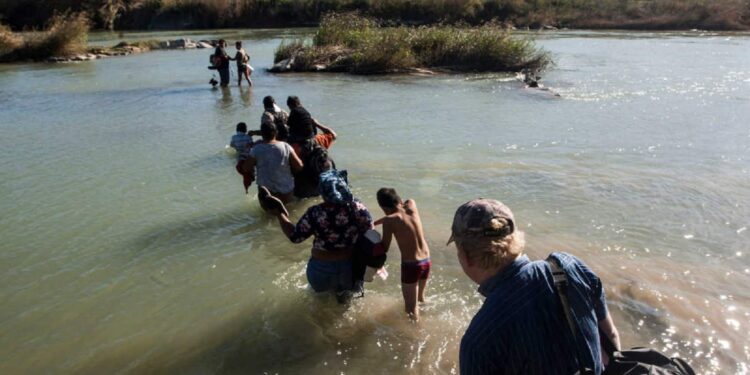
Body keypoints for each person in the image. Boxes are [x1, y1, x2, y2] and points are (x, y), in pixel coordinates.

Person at [448, 198, 621, 375]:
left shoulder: (479, 339)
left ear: (466, 256)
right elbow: (610, 337)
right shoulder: (569, 266)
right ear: (514, 237)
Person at [268, 169, 373, 303]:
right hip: (350, 267)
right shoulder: (357, 207)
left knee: (319, 304)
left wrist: (280, 214)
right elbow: (370, 232)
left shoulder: (315, 213)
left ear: (323, 192)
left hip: (321, 268)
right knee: (345, 304)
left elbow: (295, 237)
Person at [374, 188, 431, 320]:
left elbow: (385, 247)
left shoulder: (389, 221)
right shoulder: (412, 205)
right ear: (399, 200)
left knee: (410, 309)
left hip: (411, 266)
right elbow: (398, 211)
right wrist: (375, 223)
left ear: (384, 208)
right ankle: (427, 318)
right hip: (426, 261)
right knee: (420, 300)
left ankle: (417, 336)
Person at [245, 122, 302, 208]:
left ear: (262, 134)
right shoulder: (286, 146)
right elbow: (299, 165)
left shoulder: (256, 149)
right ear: (276, 132)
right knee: (288, 212)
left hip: (267, 192)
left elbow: (246, 168)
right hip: (286, 190)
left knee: (267, 217)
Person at [229, 122, 255, 193]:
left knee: (243, 171)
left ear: (237, 130)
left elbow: (231, 146)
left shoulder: (233, 137)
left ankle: (247, 187)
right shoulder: (248, 137)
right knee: (250, 170)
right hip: (247, 157)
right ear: (245, 130)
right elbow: (251, 146)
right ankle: (252, 177)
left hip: (239, 158)